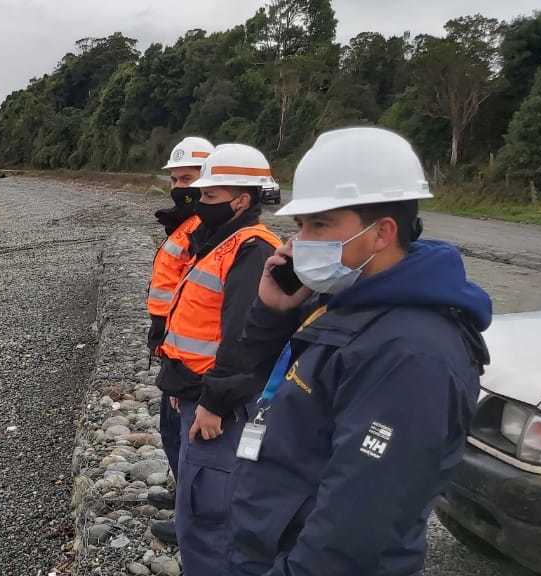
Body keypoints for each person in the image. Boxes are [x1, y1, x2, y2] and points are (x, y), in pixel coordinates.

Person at [226, 127, 491, 575]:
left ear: (382, 232)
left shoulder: (411, 355)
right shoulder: (346, 300)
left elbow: (354, 532)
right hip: (268, 544)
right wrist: (274, 313)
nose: (299, 242)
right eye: (301, 225)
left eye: (321, 224)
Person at [153, 143, 282, 575]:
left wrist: (214, 402)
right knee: (195, 514)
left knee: (210, 519)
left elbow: (245, 339)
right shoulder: (223, 242)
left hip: (221, 409)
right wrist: (182, 384)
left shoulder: (252, 250)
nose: (199, 203)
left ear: (242, 200)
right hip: (197, 392)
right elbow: (200, 323)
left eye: (209, 196)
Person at [147, 135, 215, 545]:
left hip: (194, 354)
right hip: (175, 344)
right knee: (171, 431)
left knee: (183, 434)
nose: (178, 188)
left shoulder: (207, 231)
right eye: (174, 179)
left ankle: (189, 515)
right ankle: (182, 498)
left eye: (186, 179)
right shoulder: (188, 224)